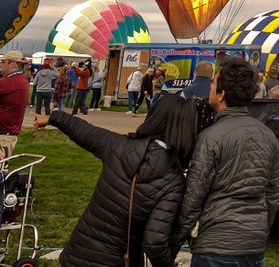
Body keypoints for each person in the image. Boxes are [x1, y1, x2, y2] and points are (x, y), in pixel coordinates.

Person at [40, 91, 194, 267]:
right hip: (118, 260)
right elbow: (155, 241)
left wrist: (54, 117)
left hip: (79, 254)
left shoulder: (119, 146)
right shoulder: (173, 181)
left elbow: (84, 130)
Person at [177, 60, 279, 266]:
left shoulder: (211, 137)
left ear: (222, 94)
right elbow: (274, 193)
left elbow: (194, 195)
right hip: (253, 243)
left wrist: (178, 236)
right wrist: (260, 229)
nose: (210, 87)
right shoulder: (268, 136)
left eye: (213, 84)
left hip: (217, 244)